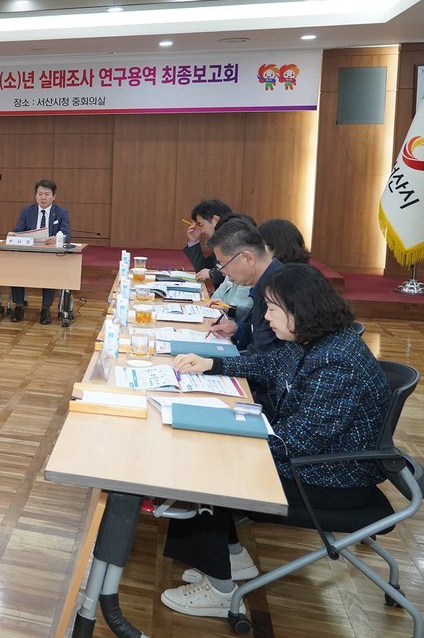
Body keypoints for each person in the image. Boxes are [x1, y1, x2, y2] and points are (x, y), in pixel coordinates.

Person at [161, 263, 389, 618]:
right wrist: (212, 365)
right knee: (208, 451)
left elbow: (299, 441)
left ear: (300, 309)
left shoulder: (336, 362)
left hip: (331, 477)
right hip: (311, 460)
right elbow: (268, 367)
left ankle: (219, 591)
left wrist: (227, 438)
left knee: (208, 470)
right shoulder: (315, 340)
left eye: (272, 308)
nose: (266, 317)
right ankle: (232, 557)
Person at [204, 218, 284, 355]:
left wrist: (213, 362)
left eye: (223, 265)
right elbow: (261, 332)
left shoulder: (280, 288)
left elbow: (264, 356)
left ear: (247, 258)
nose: (223, 272)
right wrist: (237, 329)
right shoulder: (267, 279)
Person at [8, 179, 71, 324]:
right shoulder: (27, 211)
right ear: (35, 195)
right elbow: (18, 230)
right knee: (16, 268)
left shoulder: (61, 212)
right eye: (40, 194)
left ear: (54, 197)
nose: (43, 197)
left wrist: (57, 238)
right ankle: (19, 306)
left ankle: (45, 309)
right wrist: (14, 234)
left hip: (50, 255)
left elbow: (67, 234)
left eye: (47, 194)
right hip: (28, 253)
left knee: (49, 271)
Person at [184, 199, 232, 288]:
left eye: (202, 225)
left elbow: (236, 271)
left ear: (215, 220)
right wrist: (194, 241)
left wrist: (212, 273)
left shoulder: (235, 240)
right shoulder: (219, 241)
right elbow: (203, 270)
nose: (202, 231)